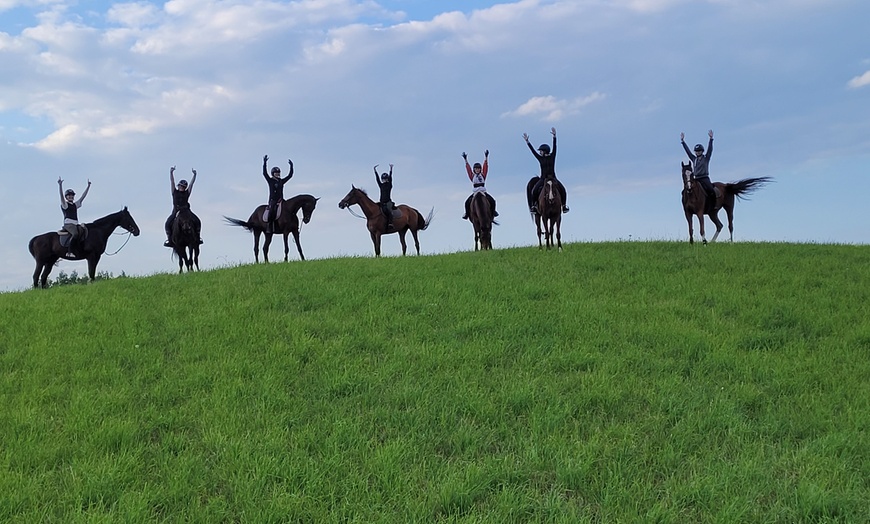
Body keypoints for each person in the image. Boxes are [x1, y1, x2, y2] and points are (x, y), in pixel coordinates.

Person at [525, 126, 569, 213]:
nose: (539, 152)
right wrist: (527, 142)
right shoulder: (540, 158)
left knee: (563, 190)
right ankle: (534, 206)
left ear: (545, 151)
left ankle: (564, 206)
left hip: (553, 178)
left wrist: (554, 137)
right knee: (534, 191)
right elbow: (533, 151)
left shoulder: (552, 157)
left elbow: (555, 147)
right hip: (543, 179)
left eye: (541, 151)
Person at [164, 166, 202, 247]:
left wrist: (194, 175)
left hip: (186, 211)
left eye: (183, 187)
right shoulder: (174, 192)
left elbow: (192, 184)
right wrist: (171, 173)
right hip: (176, 211)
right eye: (181, 186)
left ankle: (198, 237)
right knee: (167, 223)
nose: (182, 187)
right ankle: (169, 240)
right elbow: (172, 182)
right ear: (178, 186)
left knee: (197, 220)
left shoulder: (186, 193)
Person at [681, 130, 715, 213]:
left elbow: (710, 150)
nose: (697, 152)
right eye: (696, 151)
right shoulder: (694, 159)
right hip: (696, 178)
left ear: (702, 151)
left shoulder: (706, 158)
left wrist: (711, 139)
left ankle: (713, 205)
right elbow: (688, 152)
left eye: (699, 151)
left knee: (711, 190)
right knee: (685, 190)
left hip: (704, 178)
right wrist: (683, 142)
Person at [58, 177, 91, 257]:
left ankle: (79, 248)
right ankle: (69, 252)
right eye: (69, 196)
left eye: (72, 195)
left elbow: (83, 197)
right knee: (75, 234)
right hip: (68, 224)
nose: (71, 197)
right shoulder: (65, 205)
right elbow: (61, 197)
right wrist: (60, 185)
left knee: (84, 231)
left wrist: (88, 186)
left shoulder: (75, 205)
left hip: (76, 224)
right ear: (66, 197)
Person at [461, 150, 498, 220]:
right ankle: (467, 214)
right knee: (466, 202)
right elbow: (468, 169)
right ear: (474, 170)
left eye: (478, 169)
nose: (477, 170)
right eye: (476, 169)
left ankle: (493, 212)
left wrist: (486, 157)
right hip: (475, 193)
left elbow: (485, 167)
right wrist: (466, 160)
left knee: (493, 201)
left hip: (483, 192)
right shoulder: (472, 176)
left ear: (480, 169)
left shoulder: (483, 175)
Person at [263, 154, 294, 234]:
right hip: (273, 200)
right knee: (271, 211)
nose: (277, 174)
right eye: (276, 173)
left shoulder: (281, 181)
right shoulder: (270, 180)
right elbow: (264, 174)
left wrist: (291, 166)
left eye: (278, 173)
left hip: (281, 200)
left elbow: (290, 176)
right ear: (273, 173)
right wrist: (265, 163)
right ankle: (269, 226)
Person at [374, 163, 395, 231]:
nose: (384, 180)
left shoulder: (389, 185)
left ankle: (390, 223)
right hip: (382, 202)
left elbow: (391, 178)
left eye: (385, 179)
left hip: (388, 202)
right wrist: (375, 172)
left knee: (388, 210)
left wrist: (391, 170)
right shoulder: (381, 185)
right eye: (383, 179)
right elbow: (377, 180)